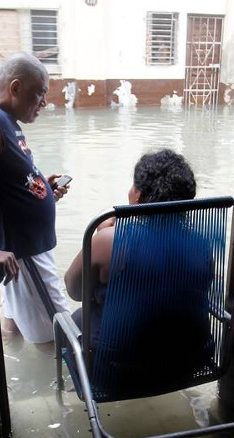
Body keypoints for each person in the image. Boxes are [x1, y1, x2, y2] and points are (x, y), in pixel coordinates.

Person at [63, 149, 214, 393]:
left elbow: (73, 290)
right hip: (190, 364)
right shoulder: (201, 242)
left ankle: (81, 385)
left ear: (139, 196)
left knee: (75, 319)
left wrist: (100, 234)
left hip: (117, 372)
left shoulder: (108, 241)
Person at [0, 52, 70, 344]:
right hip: (24, 255)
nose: (44, 102)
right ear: (16, 87)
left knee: (15, 332)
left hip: (23, 252)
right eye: (39, 94)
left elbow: (5, 183)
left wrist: (43, 189)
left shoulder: (6, 120)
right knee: (63, 340)